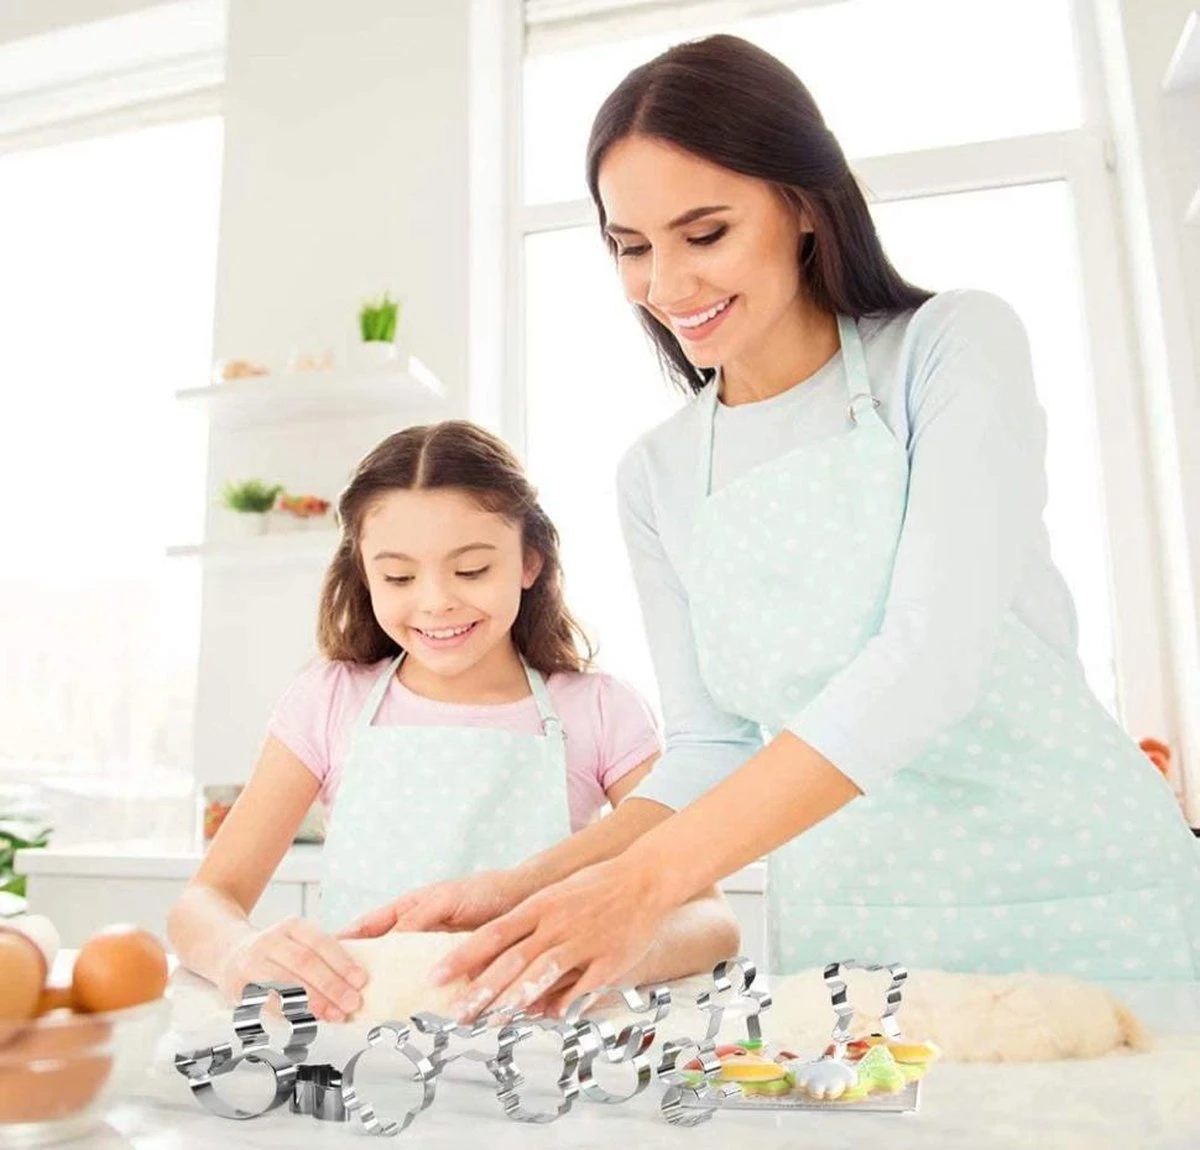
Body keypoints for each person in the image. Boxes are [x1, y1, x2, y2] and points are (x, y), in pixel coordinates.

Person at [347, 34, 1200, 1022]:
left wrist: (647, 884)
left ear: (802, 202)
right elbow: (712, 744)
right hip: (860, 928)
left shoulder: (948, 350)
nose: (664, 286)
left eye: (703, 233)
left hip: (1081, 903)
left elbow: (930, 660)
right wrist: (525, 886)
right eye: (631, 247)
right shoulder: (657, 475)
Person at [167, 420, 741, 1020]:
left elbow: (710, 920)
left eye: (470, 571)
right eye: (398, 577)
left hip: (539, 1052)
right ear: (364, 574)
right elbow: (206, 899)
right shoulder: (329, 698)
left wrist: (596, 952)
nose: (436, 600)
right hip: (361, 1047)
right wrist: (239, 952)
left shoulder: (599, 710)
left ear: (529, 563)